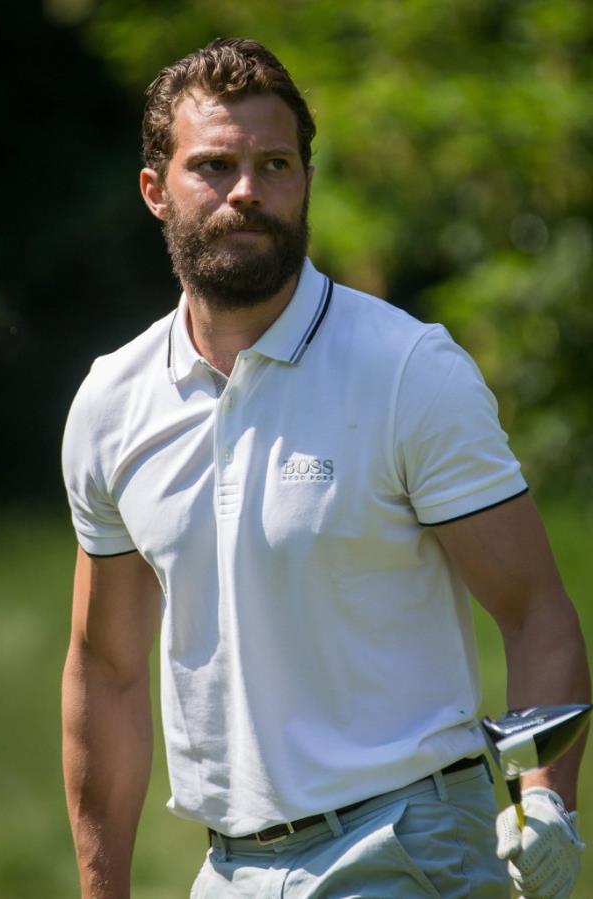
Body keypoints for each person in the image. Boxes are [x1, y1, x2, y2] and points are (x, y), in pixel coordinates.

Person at [61, 37, 590, 899]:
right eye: (215, 166)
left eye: (274, 164)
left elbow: (537, 612)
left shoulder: (408, 370)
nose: (247, 191)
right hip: (227, 868)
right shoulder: (112, 404)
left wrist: (546, 803)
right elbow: (106, 674)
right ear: (156, 190)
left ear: (306, 179)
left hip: (409, 847)